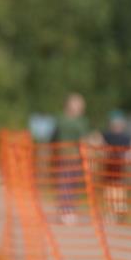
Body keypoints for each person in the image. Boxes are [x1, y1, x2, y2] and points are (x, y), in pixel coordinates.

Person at [51, 93, 89, 224]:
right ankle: (65, 210)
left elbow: (84, 140)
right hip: (62, 156)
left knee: (73, 184)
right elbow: (53, 137)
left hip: (76, 157)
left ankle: (70, 209)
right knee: (64, 183)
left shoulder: (82, 121)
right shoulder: (61, 119)